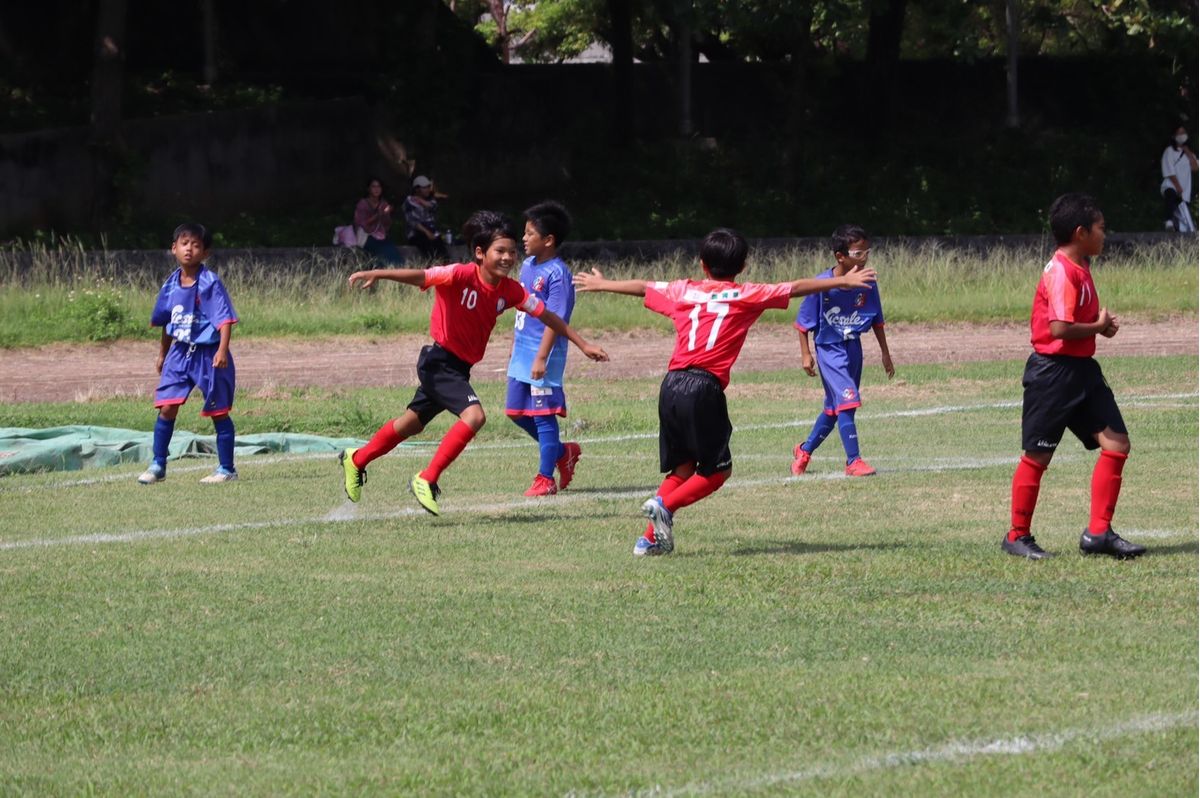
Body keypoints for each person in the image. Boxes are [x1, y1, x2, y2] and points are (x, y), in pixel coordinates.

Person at [573, 228, 876, 557]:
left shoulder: (684, 290)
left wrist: (604, 284)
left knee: (683, 469)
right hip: (703, 388)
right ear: (743, 266)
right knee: (717, 471)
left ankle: (649, 539)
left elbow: (643, 286)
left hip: (671, 385)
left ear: (702, 264)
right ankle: (664, 506)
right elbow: (795, 287)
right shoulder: (747, 294)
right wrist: (841, 281)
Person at [338, 211, 608, 515]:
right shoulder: (460, 274)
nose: (508, 257)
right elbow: (422, 276)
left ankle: (356, 459)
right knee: (475, 416)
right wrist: (378, 273)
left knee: (410, 424)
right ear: (480, 253)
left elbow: (548, 316)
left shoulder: (510, 290)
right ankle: (427, 478)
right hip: (439, 362)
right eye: (500, 251)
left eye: (512, 252)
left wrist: (583, 344)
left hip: (458, 369)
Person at [1002, 193, 1146, 560]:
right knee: (1038, 456)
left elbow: (1074, 324)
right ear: (1081, 233)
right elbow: (1059, 328)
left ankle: (1098, 533)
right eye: (1100, 228)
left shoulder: (1081, 265)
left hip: (1082, 371)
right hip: (1052, 374)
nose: (1104, 234)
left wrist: (1098, 327)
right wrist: (1097, 326)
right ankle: (1017, 535)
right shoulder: (1062, 271)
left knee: (1117, 444)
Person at [138, 222, 240, 485]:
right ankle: (158, 464)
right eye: (184, 244)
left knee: (218, 411)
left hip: (209, 354)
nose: (189, 249)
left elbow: (225, 319)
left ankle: (227, 469)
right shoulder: (170, 285)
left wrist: (222, 351)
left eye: (196, 245)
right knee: (167, 406)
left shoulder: (209, 282)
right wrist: (162, 354)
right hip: (179, 352)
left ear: (205, 253)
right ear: (174, 248)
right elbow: (167, 321)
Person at [790, 225, 894, 478]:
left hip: (853, 347)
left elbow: (877, 319)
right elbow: (803, 323)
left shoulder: (867, 282)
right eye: (858, 253)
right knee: (848, 400)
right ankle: (853, 461)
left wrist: (885, 353)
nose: (864, 257)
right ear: (840, 256)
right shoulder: (821, 284)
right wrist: (806, 354)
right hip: (829, 349)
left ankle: (804, 450)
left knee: (836, 408)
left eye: (867, 252)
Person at [505, 200, 582, 496]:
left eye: (529, 233)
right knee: (515, 411)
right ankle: (563, 452)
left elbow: (556, 319)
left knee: (542, 414)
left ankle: (545, 478)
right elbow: (523, 308)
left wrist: (541, 357)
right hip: (522, 352)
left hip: (544, 355)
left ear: (548, 240)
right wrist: (514, 344)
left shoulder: (557, 274)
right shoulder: (527, 266)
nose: (523, 238)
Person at [354, 177, 404, 265]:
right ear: (368, 189)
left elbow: (387, 225)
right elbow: (364, 224)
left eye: (379, 187)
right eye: (373, 186)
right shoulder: (363, 204)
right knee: (380, 250)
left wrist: (387, 214)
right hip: (366, 236)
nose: (376, 189)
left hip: (380, 236)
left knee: (391, 249)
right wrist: (380, 214)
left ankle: (399, 267)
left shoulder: (383, 204)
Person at [1160, 124, 1198, 233]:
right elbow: (1169, 171)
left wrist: (1187, 151)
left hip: (1185, 190)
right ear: (1174, 136)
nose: (1182, 135)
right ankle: (1168, 222)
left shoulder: (1189, 154)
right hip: (1171, 185)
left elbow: (1195, 168)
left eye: (1183, 132)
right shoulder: (1169, 151)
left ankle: (1179, 230)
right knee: (1171, 197)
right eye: (1179, 133)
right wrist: (1177, 187)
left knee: (1181, 214)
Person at [403, 175, 450, 261]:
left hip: (432, 232)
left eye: (428, 187)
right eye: (424, 188)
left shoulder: (431, 200)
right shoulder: (409, 201)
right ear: (417, 189)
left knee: (443, 253)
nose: (427, 189)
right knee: (429, 251)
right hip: (417, 233)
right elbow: (412, 222)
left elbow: (433, 206)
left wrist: (421, 201)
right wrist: (427, 232)